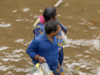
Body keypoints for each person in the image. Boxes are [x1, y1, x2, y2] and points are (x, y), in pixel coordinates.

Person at [33, 7, 67, 75]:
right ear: (51, 18)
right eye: (56, 14)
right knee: (51, 70)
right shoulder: (44, 30)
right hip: (49, 55)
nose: (57, 15)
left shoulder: (39, 26)